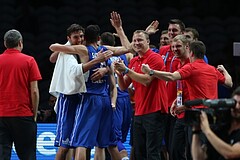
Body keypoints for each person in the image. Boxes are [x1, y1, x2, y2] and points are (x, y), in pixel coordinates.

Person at [49, 24, 113, 160]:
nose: (79, 39)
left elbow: (110, 56)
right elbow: (58, 60)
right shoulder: (68, 53)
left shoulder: (84, 49)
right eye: (75, 37)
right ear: (68, 38)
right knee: (64, 145)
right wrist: (66, 48)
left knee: (80, 141)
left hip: (81, 98)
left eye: (81, 36)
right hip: (68, 99)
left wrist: (106, 69)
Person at [113, 29, 168, 159]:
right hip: (139, 111)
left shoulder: (156, 58)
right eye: (135, 40)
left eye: (140, 40)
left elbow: (146, 81)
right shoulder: (134, 61)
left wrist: (126, 70)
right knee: (139, 151)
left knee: (152, 151)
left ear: (148, 41)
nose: (137, 43)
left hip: (155, 110)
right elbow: (123, 86)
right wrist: (120, 74)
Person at [0, 29, 42, 160]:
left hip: (1, 116)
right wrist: (34, 114)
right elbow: (34, 91)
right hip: (23, 115)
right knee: (28, 156)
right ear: (20, 43)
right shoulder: (29, 61)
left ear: (5, 43)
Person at [100, 32, 133, 160]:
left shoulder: (101, 54)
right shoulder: (126, 55)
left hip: (114, 99)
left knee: (114, 139)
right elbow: (132, 47)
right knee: (118, 139)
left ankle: (124, 157)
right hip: (126, 100)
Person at [191, 86, 240, 160]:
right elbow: (198, 158)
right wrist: (196, 131)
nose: (236, 107)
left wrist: (207, 131)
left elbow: (231, 153)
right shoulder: (222, 128)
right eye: (234, 103)